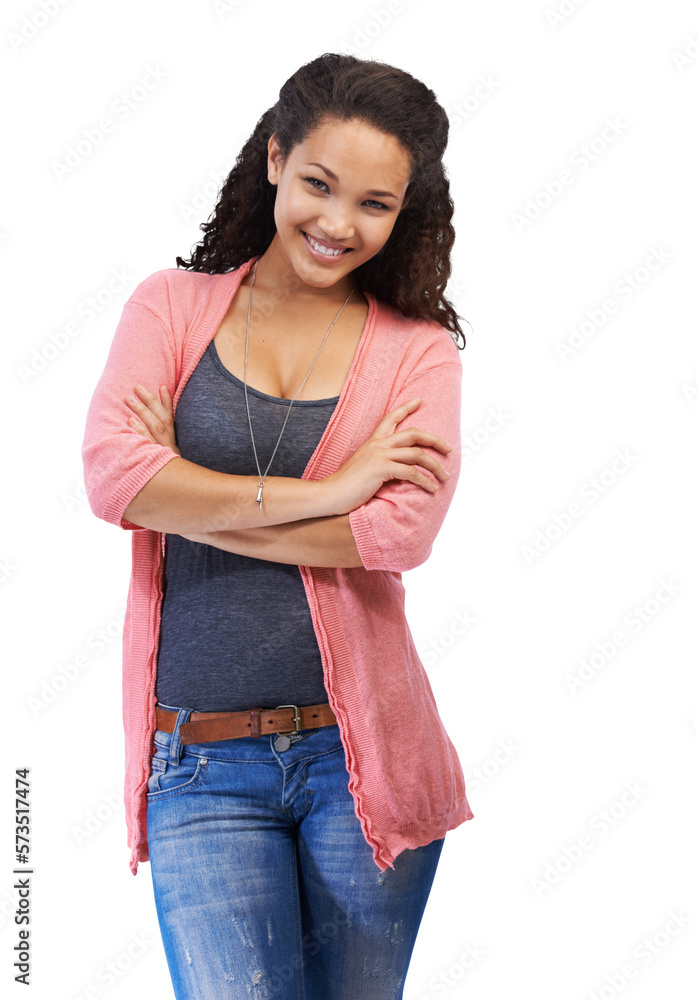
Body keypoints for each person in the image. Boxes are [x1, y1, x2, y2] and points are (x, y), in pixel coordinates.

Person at [82, 51, 474, 1000]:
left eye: (374, 205)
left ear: (402, 211)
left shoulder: (417, 353)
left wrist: (192, 500)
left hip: (359, 756)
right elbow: (112, 476)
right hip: (199, 763)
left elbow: (396, 536)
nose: (338, 225)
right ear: (272, 160)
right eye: (319, 184)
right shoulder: (169, 310)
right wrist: (327, 487)